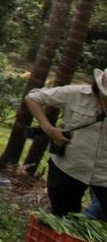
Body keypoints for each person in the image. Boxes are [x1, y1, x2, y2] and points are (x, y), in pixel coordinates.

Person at [25, 67, 107, 217]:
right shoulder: (76, 93)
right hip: (69, 167)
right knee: (64, 217)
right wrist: (49, 129)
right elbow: (33, 98)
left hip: (103, 174)